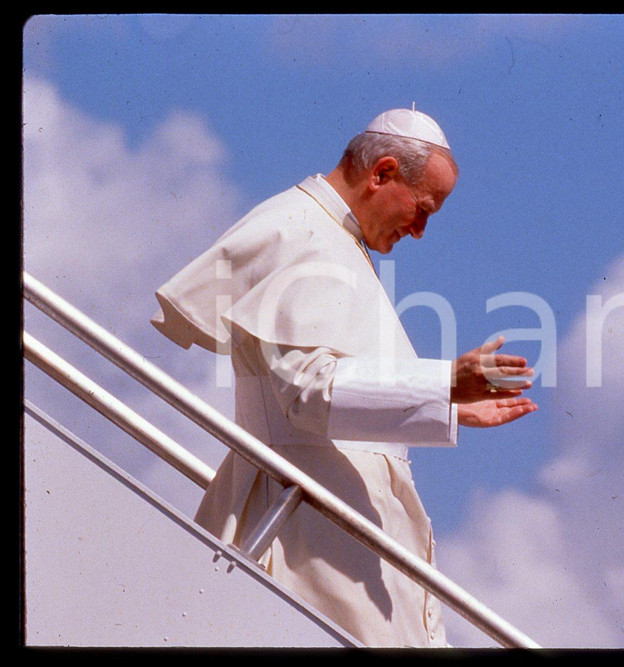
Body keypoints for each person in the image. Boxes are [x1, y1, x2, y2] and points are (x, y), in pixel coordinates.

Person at [150, 107, 537, 647]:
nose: (421, 232)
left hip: (333, 539)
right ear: (381, 173)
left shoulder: (333, 239)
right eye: (423, 210)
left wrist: (447, 405)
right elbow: (308, 392)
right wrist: (442, 383)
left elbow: (334, 382)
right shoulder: (301, 231)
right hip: (304, 544)